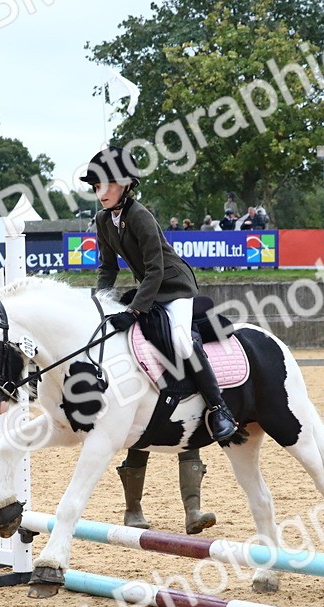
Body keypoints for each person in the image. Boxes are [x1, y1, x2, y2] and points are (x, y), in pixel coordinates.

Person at [83, 144, 238, 443]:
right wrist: (99, 302)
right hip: (149, 289)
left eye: (108, 185)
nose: (101, 193)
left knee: (181, 340)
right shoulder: (103, 220)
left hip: (174, 286)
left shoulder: (140, 216)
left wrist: (134, 311)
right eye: (97, 186)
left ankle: (219, 409)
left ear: (126, 185)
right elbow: (107, 268)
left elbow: (155, 269)